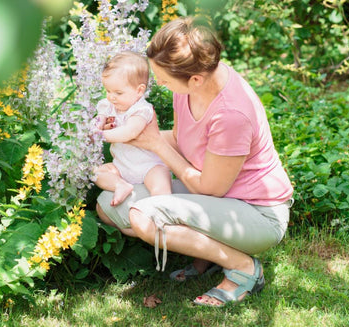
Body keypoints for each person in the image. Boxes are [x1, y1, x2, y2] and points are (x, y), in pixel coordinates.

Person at [96, 17, 294, 307]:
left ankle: (243, 266)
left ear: (195, 78)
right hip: (218, 198)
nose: (159, 84)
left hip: (256, 212)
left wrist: (154, 145)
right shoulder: (191, 85)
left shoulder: (231, 115)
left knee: (143, 217)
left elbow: (209, 188)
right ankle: (209, 254)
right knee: (108, 205)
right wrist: (127, 135)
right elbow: (181, 139)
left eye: (162, 79)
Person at [94, 51, 172, 206]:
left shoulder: (141, 110)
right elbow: (99, 119)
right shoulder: (110, 105)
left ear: (139, 91)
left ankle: (163, 210)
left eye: (118, 92)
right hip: (121, 166)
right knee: (96, 173)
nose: (111, 97)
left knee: (160, 182)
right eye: (108, 91)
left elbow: (129, 132)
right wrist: (96, 125)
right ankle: (120, 185)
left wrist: (101, 135)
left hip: (148, 166)